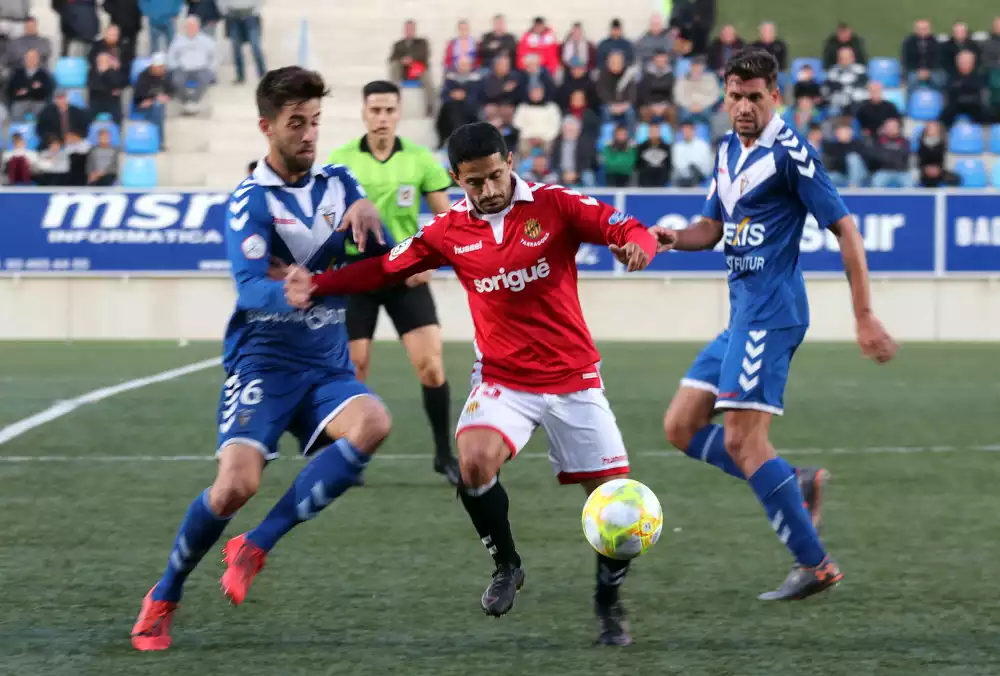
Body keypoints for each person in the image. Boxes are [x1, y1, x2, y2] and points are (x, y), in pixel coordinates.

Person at [293, 121, 660, 646]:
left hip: (573, 378)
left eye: (494, 176)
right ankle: (507, 565)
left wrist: (638, 246)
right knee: (473, 462)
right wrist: (321, 284)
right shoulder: (448, 231)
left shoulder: (554, 205)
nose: (488, 191)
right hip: (504, 379)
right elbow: (382, 270)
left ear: (510, 162)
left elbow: (625, 226)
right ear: (455, 179)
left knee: (615, 504)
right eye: (474, 182)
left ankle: (608, 601)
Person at [130, 66, 392, 651]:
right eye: (296, 123)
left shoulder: (341, 180)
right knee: (234, 487)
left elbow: (368, 232)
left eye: (315, 122)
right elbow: (248, 286)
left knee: (374, 421)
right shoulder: (250, 201)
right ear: (265, 126)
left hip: (326, 366)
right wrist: (286, 291)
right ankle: (164, 594)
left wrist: (370, 210)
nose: (308, 134)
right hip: (263, 365)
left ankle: (255, 545)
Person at [653, 48, 897, 601]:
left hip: (773, 315)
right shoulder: (726, 150)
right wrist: (671, 238)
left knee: (742, 440)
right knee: (680, 427)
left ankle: (815, 563)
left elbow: (847, 232)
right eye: (735, 96)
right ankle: (795, 480)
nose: (743, 107)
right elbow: (711, 228)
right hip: (742, 317)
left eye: (754, 97)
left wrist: (864, 316)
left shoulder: (793, 155)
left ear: (775, 97)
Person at [327, 80, 460, 484]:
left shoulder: (420, 160)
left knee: (431, 367)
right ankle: (349, 459)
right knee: (355, 367)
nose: (382, 117)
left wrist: (432, 263)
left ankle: (443, 454)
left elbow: (450, 220)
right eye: (375, 110)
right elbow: (326, 219)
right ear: (364, 113)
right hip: (358, 275)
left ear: (399, 113)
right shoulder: (341, 160)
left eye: (389, 110)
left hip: (406, 273)